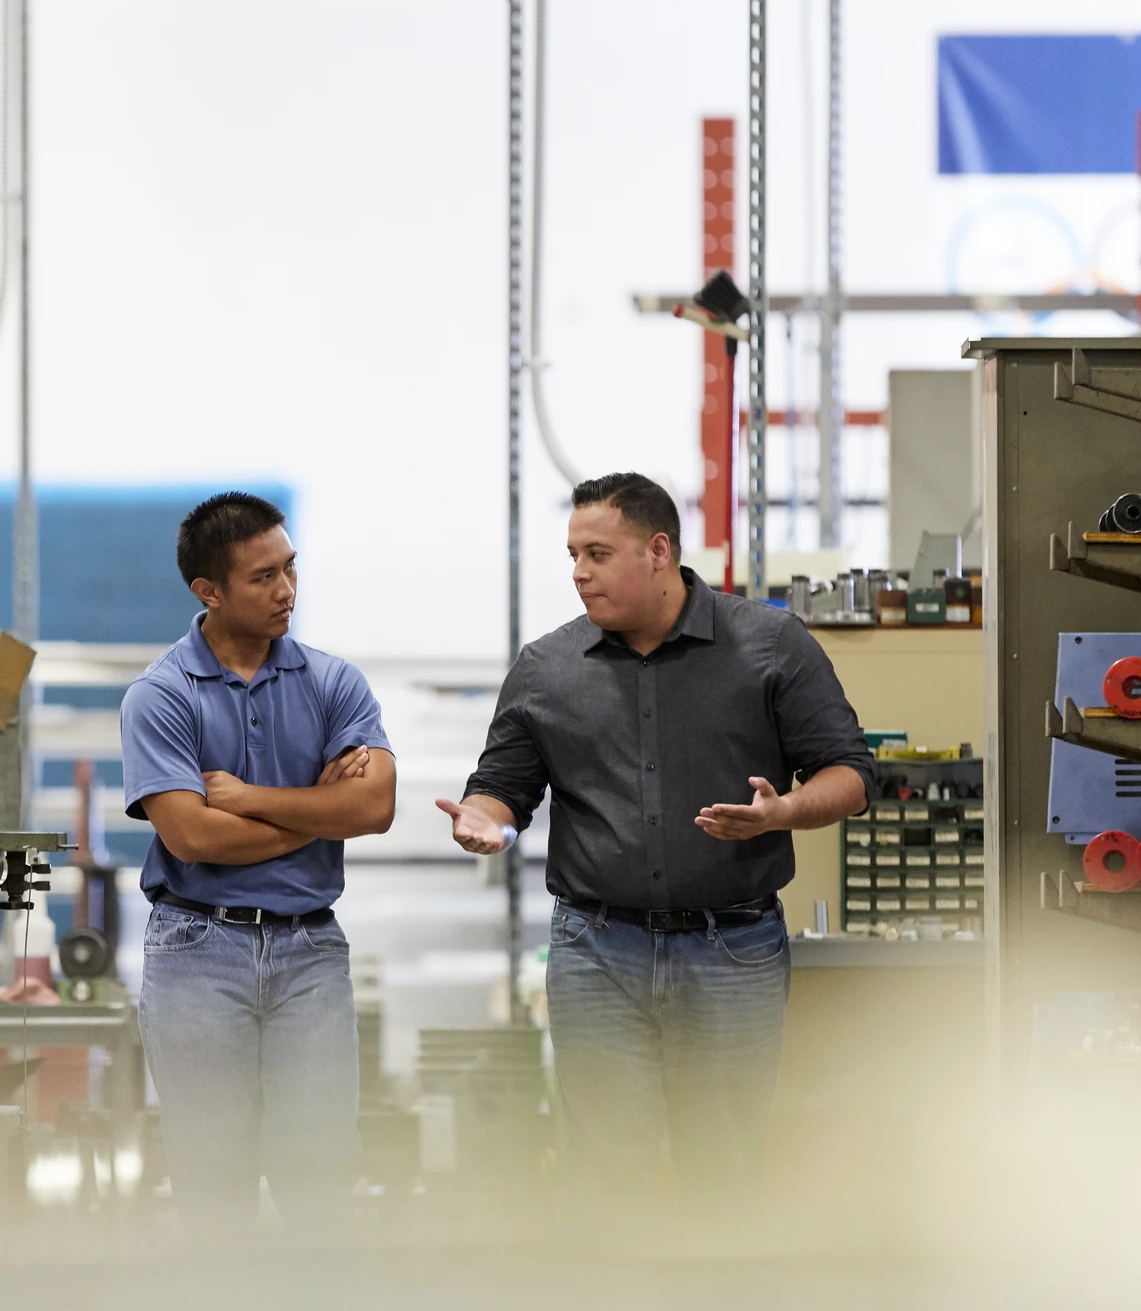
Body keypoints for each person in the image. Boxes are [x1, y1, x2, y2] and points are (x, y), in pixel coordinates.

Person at [435, 471, 873, 1210]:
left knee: (723, 1172)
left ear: (659, 550)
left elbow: (853, 775)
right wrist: (487, 819)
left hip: (732, 948)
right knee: (608, 1177)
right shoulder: (546, 668)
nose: (579, 572)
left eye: (598, 553)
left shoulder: (769, 646)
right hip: (596, 953)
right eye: (572, 554)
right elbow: (503, 785)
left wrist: (783, 812)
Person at [120, 491, 397, 1234]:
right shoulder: (160, 696)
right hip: (196, 949)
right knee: (215, 1180)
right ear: (207, 592)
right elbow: (193, 839)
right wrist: (313, 808)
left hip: (310, 946)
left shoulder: (334, 682)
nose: (286, 592)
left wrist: (246, 800)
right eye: (262, 578)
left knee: (320, 1173)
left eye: (290, 569)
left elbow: (373, 808)